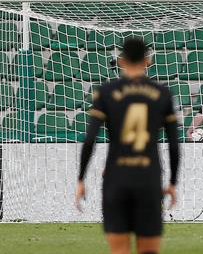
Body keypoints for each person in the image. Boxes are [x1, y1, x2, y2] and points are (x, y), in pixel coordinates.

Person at [76, 37, 181, 254]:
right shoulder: (163, 94)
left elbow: (90, 139)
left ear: (121, 61)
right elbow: (173, 144)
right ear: (148, 61)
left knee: (120, 251)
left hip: (117, 179)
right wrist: (172, 182)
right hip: (148, 179)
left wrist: (81, 179)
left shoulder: (105, 92)